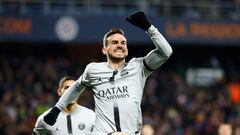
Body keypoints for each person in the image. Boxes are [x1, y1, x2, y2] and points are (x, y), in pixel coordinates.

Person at [43, 11, 173, 135]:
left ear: (127, 50)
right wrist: (57, 109)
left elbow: (166, 52)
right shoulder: (93, 70)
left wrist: (148, 27)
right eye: (114, 42)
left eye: (123, 43)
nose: (120, 45)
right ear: (105, 50)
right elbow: (76, 87)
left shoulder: (139, 67)